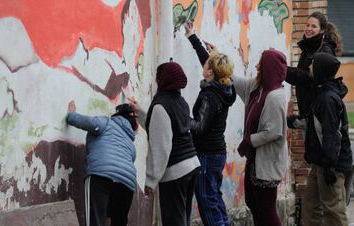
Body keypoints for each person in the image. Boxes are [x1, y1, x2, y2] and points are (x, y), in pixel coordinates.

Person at [129, 62, 200, 226]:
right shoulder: (180, 102)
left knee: (174, 221)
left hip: (176, 172)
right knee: (183, 219)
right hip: (192, 166)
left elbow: (161, 147)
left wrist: (150, 181)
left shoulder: (161, 106)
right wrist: (139, 112)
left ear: (163, 80)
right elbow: (160, 127)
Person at [185, 23, 236, 226]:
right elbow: (208, 61)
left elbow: (199, 127)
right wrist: (193, 37)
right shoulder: (224, 88)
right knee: (213, 196)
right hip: (217, 152)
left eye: (207, 66)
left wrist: (180, 117)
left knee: (206, 199)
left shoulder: (210, 96)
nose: (203, 66)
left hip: (206, 153)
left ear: (211, 73)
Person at [294, 52, 352, 226]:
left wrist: (329, 167)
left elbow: (331, 135)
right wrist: (292, 121)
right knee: (311, 206)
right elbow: (315, 123)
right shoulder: (322, 93)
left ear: (321, 70)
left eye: (313, 65)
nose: (309, 67)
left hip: (330, 164)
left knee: (333, 210)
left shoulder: (328, 99)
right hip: (321, 161)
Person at [232, 49, 288, 226]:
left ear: (269, 68)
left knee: (266, 209)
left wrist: (249, 140)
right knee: (254, 204)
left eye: (261, 64)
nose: (257, 66)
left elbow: (274, 132)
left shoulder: (275, 96)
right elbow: (230, 79)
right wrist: (213, 56)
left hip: (267, 161)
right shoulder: (257, 89)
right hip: (255, 160)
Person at [66, 101, 138, 226]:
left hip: (101, 176)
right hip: (126, 184)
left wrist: (71, 114)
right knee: (119, 222)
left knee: (95, 220)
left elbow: (86, 122)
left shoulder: (106, 123)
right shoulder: (131, 146)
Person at [286, 11, 343, 117]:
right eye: (307, 25)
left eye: (313, 26)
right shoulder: (309, 46)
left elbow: (308, 77)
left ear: (321, 30)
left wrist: (282, 70)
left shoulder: (324, 51)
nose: (309, 29)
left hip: (317, 110)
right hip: (307, 109)